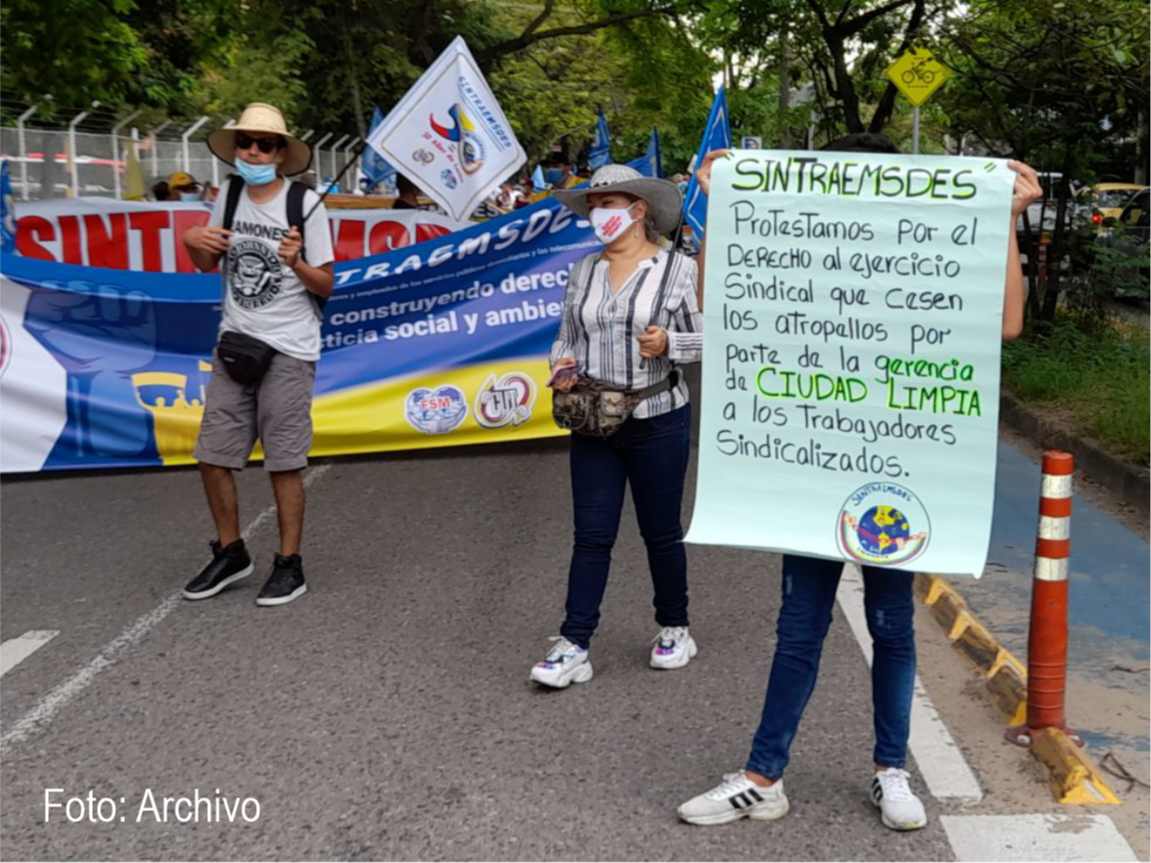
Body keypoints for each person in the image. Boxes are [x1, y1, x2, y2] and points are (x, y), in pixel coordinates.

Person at [676, 133, 1042, 829]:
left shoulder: (929, 255)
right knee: (799, 628)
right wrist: (723, 212)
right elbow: (721, 308)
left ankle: (890, 770)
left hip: (895, 475)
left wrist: (1003, 224)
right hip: (814, 468)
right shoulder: (807, 250)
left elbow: (1005, 322)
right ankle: (763, 774)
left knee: (890, 625)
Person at [529, 163, 703, 689]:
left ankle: (675, 625)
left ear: (638, 210)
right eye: (594, 204)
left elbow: (708, 340)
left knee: (660, 532)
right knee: (591, 535)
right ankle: (574, 643)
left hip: (657, 416)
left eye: (609, 203)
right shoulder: (582, 271)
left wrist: (669, 344)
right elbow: (565, 336)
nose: (599, 213)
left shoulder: (677, 270)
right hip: (593, 422)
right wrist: (560, 366)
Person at [180, 102, 335, 607]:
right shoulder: (227, 195)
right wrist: (191, 240)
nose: (252, 151)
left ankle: (290, 564)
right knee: (211, 456)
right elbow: (207, 261)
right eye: (245, 142)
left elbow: (327, 286)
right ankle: (231, 552)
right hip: (236, 342)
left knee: (283, 463)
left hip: (289, 348)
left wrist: (296, 264)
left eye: (264, 144)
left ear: (281, 152)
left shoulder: (306, 205)